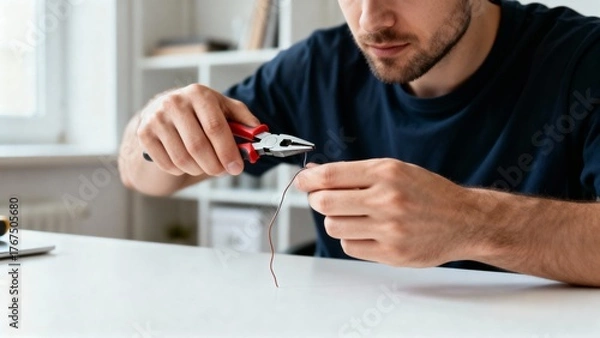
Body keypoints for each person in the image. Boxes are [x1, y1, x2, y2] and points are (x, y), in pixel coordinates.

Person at [119, 0, 600, 287]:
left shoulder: (585, 60)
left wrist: (470, 222)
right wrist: (160, 123)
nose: (371, 21)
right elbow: (137, 175)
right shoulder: (317, 67)